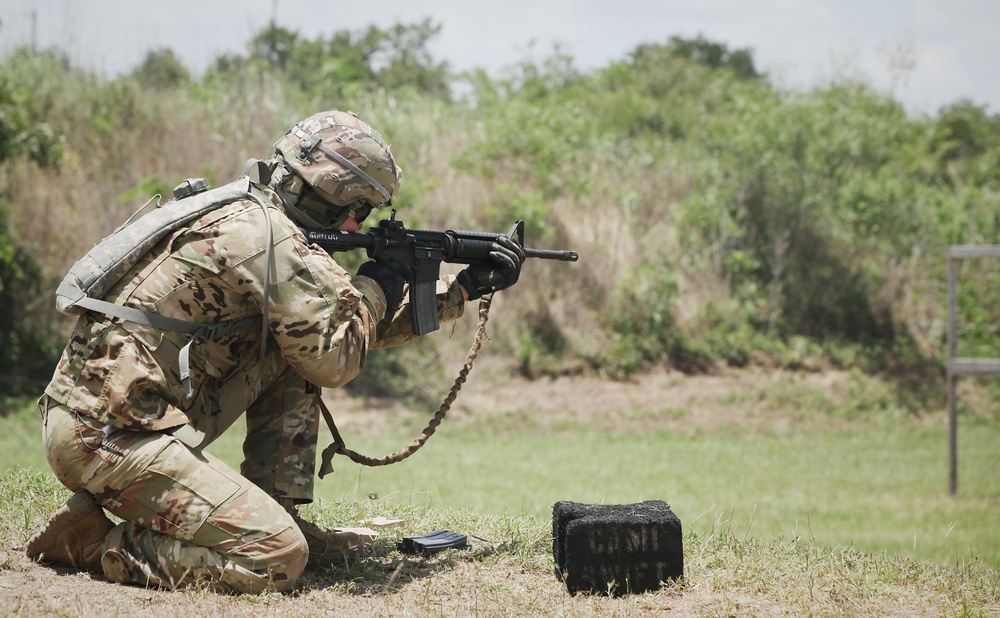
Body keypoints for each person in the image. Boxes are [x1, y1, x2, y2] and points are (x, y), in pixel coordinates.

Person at [24, 110, 525, 593]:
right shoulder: (269, 238)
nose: (357, 226)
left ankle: (281, 511)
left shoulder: (249, 213)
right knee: (276, 559)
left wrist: (458, 292)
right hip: (107, 435)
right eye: (359, 210)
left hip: (118, 415)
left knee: (293, 352)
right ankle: (92, 545)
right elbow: (335, 360)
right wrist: (378, 284)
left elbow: (323, 337)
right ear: (334, 195)